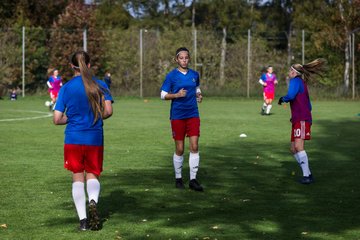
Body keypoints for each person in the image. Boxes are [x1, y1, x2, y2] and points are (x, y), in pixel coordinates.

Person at [53, 51, 113, 231]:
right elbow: (108, 111)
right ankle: (93, 201)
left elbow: (57, 119)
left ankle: (83, 221)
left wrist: (71, 119)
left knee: (77, 177)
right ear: (89, 64)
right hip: (94, 137)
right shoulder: (100, 85)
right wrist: (95, 116)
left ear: (72, 67)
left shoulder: (66, 88)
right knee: (93, 173)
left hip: (73, 138)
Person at [160, 47, 204, 192]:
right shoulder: (172, 76)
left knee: (195, 146)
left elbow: (196, 87)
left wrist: (199, 95)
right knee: (180, 149)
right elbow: (163, 95)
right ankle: (178, 178)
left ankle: (193, 179)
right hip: (178, 115)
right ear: (176, 60)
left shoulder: (194, 74)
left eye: (186, 57)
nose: (184, 60)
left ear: (189, 59)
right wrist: (177, 95)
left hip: (193, 114)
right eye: (181, 58)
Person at [278, 58, 326, 184]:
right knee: (293, 149)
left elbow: (290, 96)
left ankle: (306, 177)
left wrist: (282, 99)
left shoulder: (295, 81)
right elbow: (308, 105)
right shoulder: (301, 82)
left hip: (302, 119)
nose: (289, 72)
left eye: (290, 70)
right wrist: (296, 115)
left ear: (294, 72)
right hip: (299, 119)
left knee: (299, 147)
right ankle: (308, 174)